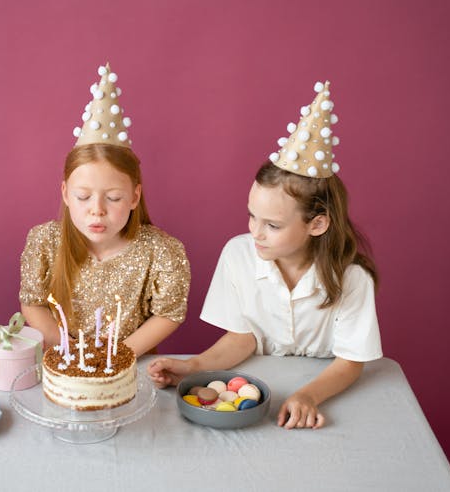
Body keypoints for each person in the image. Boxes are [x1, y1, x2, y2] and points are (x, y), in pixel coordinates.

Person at [149, 81, 382, 429]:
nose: (255, 232)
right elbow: (244, 337)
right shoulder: (238, 253)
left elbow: (350, 361)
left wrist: (309, 395)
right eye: (251, 216)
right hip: (258, 385)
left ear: (317, 225)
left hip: (323, 390)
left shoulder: (351, 278)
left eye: (272, 225)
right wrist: (195, 366)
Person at [20, 63, 190, 357]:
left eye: (113, 198)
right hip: (64, 361)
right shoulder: (44, 242)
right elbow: (33, 303)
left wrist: (116, 357)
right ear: (66, 194)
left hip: (130, 367)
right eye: (84, 196)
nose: (96, 211)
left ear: (135, 196)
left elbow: (168, 313)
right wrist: (72, 352)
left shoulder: (162, 251)